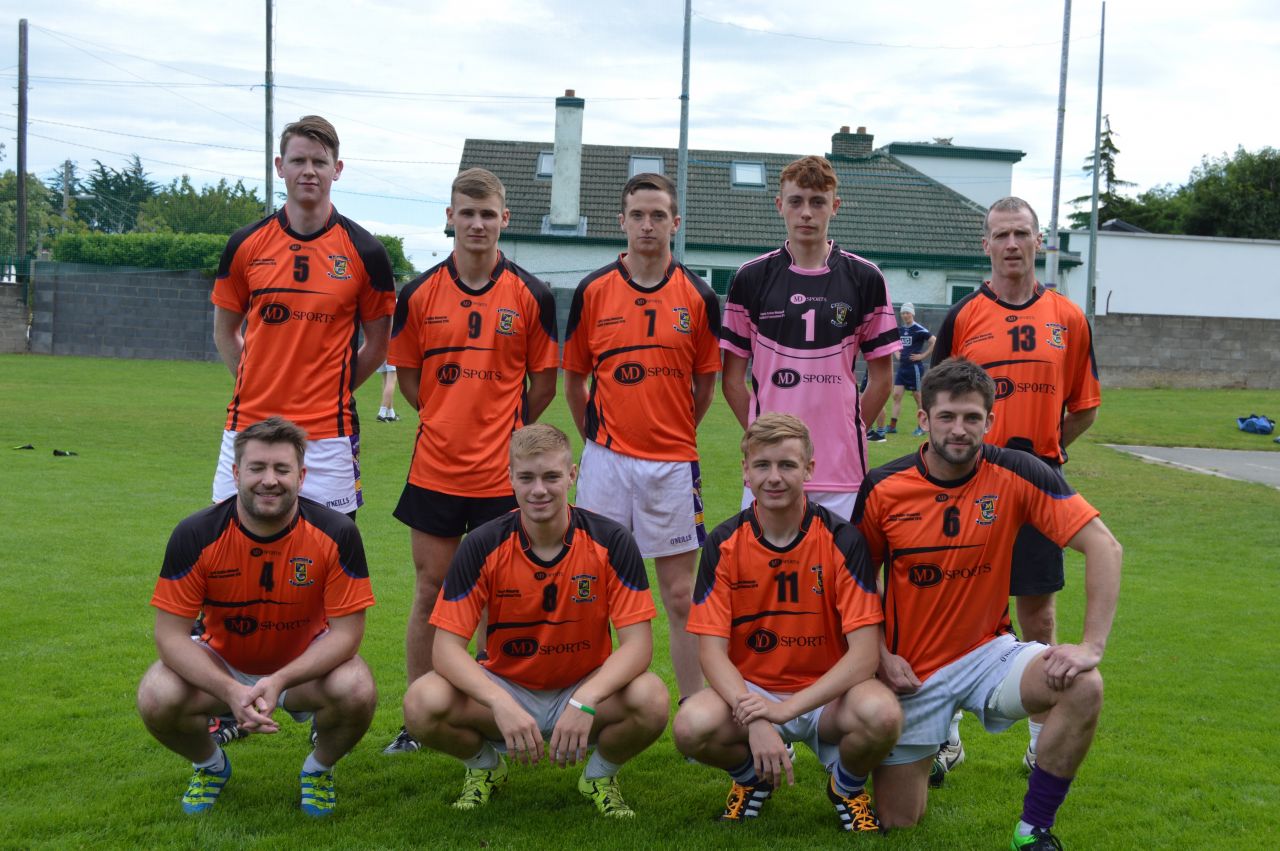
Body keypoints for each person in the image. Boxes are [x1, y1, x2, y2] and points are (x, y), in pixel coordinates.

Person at [853, 358, 1120, 849]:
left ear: (990, 422)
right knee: (897, 822)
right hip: (911, 672)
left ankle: (1033, 830)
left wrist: (1091, 645)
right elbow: (858, 586)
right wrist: (880, 657)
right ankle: (930, 743)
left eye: (972, 418)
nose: (960, 429)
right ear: (923, 417)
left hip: (988, 656)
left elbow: (1105, 546)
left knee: (1083, 685)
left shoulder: (1018, 471)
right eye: (948, 416)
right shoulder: (883, 487)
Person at [403, 424, 669, 818]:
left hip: (583, 687)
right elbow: (445, 648)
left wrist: (586, 700)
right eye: (526, 477)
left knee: (652, 698)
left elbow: (638, 646)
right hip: (506, 687)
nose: (539, 490)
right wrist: (498, 702)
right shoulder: (482, 543)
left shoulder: (611, 540)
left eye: (551, 477)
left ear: (572, 475)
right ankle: (486, 769)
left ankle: (598, 775)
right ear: (510, 477)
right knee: (421, 702)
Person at [385, 167, 559, 752]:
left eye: (488, 214)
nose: (477, 223)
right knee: (431, 589)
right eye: (467, 212)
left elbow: (544, 385)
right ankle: (416, 717)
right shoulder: (419, 293)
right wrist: (447, 420)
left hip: (498, 477)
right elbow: (409, 381)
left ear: (504, 219)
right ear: (450, 217)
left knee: (497, 598)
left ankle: (498, 712)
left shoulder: (530, 294)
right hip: (435, 469)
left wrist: (502, 434)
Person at [931, 197, 1102, 775]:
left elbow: (1083, 407)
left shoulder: (1068, 317)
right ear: (986, 244)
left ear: (1039, 241)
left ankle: (1039, 736)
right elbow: (936, 402)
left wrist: (1046, 456)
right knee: (954, 608)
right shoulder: (962, 317)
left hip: (1038, 481)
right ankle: (945, 733)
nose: (1011, 244)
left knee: (1038, 611)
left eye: (1021, 233)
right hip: (969, 482)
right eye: (1001, 234)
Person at [137, 417, 378, 817]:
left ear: (301, 476)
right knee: (156, 694)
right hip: (225, 665)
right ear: (236, 473)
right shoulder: (195, 534)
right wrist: (230, 691)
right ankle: (210, 765)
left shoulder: (337, 532)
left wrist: (280, 679)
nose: (270, 480)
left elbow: (347, 635)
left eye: (282, 469)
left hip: (301, 670)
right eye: (257, 468)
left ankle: (318, 770)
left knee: (357, 689)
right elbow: (170, 637)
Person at [674, 413, 901, 832]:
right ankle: (751, 780)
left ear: (809, 469)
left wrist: (784, 712)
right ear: (745, 471)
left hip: (828, 695)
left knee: (883, 715)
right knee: (691, 726)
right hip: (752, 692)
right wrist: (757, 717)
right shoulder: (723, 543)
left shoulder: (842, 539)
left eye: (787, 465)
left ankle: (846, 787)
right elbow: (711, 651)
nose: (774, 477)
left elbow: (865, 655)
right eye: (762, 465)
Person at [562, 172, 721, 704]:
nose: (647, 225)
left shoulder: (697, 294)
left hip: (673, 465)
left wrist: (671, 428)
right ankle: (589, 699)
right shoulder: (593, 289)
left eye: (658, 216)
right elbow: (575, 378)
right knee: (595, 590)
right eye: (637, 215)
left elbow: (705, 383)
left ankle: (694, 707)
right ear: (621, 222)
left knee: (680, 595)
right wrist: (600, 436)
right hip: (606, 462)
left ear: (675, 223)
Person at [211, 114, 395, 517]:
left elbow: (379, 344)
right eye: (298, 161)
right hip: (249, 424)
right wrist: (256, 380)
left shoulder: (366, 252)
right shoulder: (245, 244)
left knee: (328, 554)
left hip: (328, 434)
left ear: (337, 170)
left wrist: (335, 389)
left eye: (320, 161)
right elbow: (226, 332)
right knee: (228, 550)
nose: (309, 171)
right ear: (280, 167)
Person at [720, 155, 900, 519]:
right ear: (779, 205)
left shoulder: (866, 278)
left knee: (843, 573)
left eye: (817, 202)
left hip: (842, 470)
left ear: (834, 206)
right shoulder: (750, 278)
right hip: (771, 465)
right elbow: (731, 380)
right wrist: (765, 436)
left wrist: (850, 428)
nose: (806, 213)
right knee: (766, 572)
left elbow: (882, 379)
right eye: (796, 201)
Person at [885, 302, 935, 436]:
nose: (905, 315)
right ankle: (892, 426)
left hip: (914, 369)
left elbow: (934, 341)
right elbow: (894, 343)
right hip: (903, 368)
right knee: (896, 395)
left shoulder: (919, 329)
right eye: (903, 313)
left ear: (912, 313)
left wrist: (922, 355)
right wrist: (897, 353)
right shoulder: (900, 330)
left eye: (907, 313)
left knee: (918, 397)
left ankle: (922, 427)